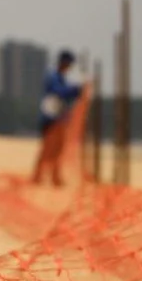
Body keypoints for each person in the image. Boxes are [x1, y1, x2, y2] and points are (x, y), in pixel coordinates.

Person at [31, 50, 90, 186]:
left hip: (60, 118)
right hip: (50, 119)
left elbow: (67, 96)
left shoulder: (61, 78)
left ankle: (55, 177)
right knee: (47, 149)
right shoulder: (52, 77)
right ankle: (38, 176)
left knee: (58, 149)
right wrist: (75, 90)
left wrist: (78, 92)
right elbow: (59, 92)